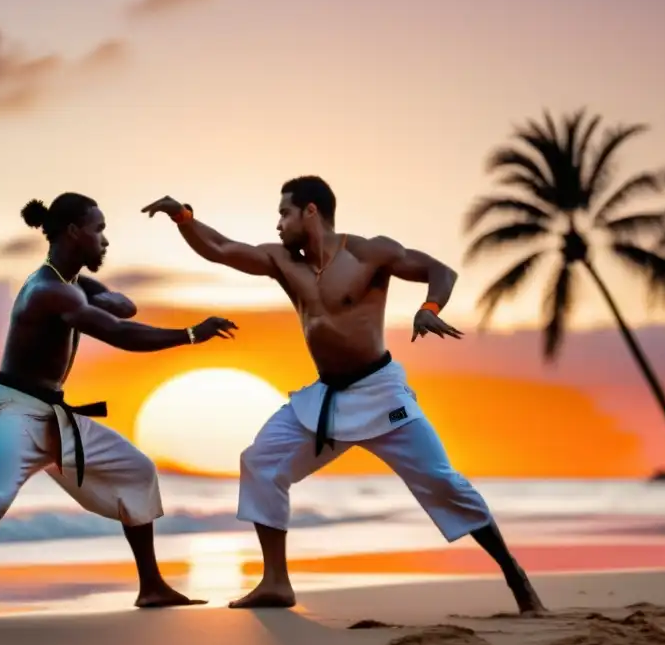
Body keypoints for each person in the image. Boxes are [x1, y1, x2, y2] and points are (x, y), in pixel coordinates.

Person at [141, 177, 545, 614]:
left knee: (444, 483)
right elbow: (221, 248)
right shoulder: (282, 261)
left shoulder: (368, 253)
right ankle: (276, 582)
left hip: (381, 393)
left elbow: (440, 271)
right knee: (260, 462)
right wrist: (182, 217)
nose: (278, 224)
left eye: (284, 213)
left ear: (310, 212)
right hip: (327, 397)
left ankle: (515, 577)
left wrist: (429, 309)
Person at [0, 192, 238, 627]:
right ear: (73, 232)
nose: (105, 241)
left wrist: (94, 297)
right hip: (13, 410)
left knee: (138, 470)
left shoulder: (71, 286)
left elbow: (124, 306)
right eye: (99, 230)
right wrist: (191, 334)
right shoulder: (49, 291)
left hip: (52, 415)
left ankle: (152, 587)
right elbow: (121, 333)